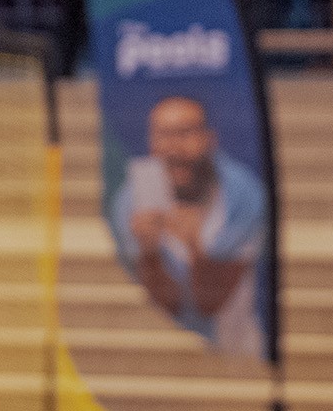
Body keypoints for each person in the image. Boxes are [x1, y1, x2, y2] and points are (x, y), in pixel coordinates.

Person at [108, 94, 267, 359]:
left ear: (209, 139)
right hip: (164, 351)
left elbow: (211, 304)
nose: (173, 147)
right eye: (163, 135)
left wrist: (194, 246)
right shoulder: (130, 202)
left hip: (234, 351)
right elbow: (165, 305)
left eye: (184, 133)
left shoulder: (243, 194)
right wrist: (150, 254)